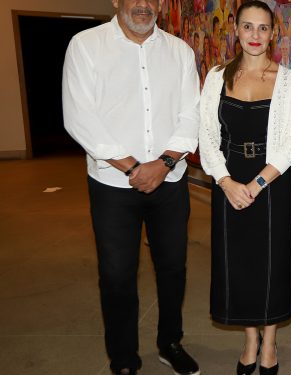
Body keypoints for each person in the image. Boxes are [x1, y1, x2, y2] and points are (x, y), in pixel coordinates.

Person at [61, 0, 201, 373]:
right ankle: (123, 357)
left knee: (173, 267)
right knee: (117, 274)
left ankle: (170, 342)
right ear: (116, 1)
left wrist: (164, 163)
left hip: (170, 181)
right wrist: (135, 168)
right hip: (111, 183)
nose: (143, 4)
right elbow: (79, 116)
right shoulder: (85, 45)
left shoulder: (180, 51)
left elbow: (192, 114)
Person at [199, 2, 291, 375]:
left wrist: (259, 182)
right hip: (228, 182)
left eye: (263, 29)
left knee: (272, 263)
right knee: (240, 265)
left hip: (271, 182)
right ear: (236, 29)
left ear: (273, 33)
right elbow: (207, 137)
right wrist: (227, 182)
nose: (255, 36)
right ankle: (250, 339)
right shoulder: (216, 76)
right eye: (248, 27)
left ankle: (270, 343)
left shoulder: (289, 80)